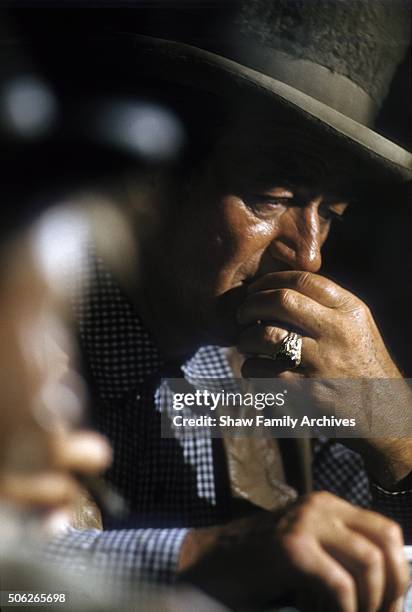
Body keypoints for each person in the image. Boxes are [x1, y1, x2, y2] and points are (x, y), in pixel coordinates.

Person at [38, 1, 412, 610]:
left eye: (332, 215)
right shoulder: (24, 351)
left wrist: (399, 433)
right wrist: (204, 558)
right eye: (272, 197)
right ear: (152, 175)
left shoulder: (267, 383)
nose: (310, 256)